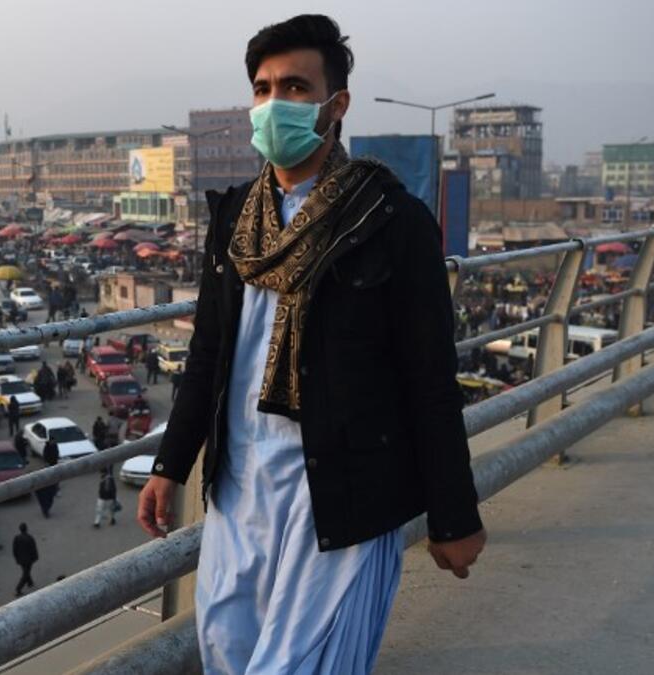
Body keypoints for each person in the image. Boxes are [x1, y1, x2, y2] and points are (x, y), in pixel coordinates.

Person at [137, 16, 485, 674]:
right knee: (227, 653)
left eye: (295, 87)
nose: (273, 105)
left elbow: (430, 377)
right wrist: (169, 464)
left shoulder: (391, 221)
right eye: (263, 89)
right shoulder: (236, 217)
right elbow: (210, 351)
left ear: (336, 104)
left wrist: (454, 514)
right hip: (240, 489)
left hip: (341, 493)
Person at [12, 522, 39, 596]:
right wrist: (36, 557)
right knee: (25, 573)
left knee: (25, 570)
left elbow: (14, 549)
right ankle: (18, 588)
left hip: (21, 559)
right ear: (26, 529)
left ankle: (30, 582)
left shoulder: (16, 538)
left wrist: (16, 558)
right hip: (29, 559)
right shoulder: (29, 538)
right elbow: (33, 549)